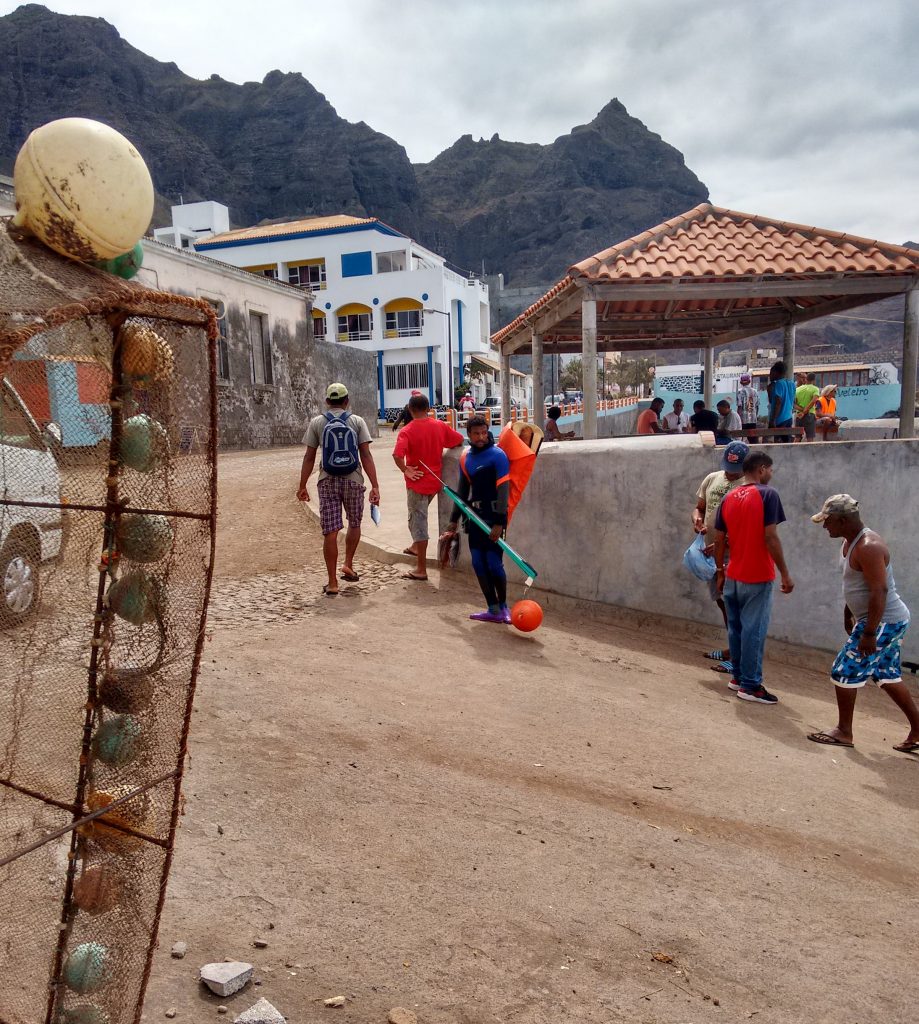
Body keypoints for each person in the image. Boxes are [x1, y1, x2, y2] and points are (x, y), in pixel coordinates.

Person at [806, 495, 919, 752]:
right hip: (879, 620)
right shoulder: (849, 542)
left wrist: (868, 633)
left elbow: (879, 591)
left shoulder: (868, 546)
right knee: (886, 674)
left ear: (843, 520)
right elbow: (858, 585)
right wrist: (849, 611)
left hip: (882, 622)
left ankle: (844, 732)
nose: (825, 527)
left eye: (828, 521)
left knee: (844, 670)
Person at [713, 451, 794, 704]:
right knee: (753, 632)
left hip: (733, 574)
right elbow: (770, 537)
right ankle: (750, 685)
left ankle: (737, 677)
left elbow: (719, 539)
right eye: (770, 469)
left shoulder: (728, 497)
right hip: (757, 574)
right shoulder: (768, 494)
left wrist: (720, 571)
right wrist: (785, 573)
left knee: (736, 629)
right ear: (761, 469)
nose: (771, 474)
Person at [297, 382, 380, 596]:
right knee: (354, 523)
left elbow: (309, 456)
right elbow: (366, 455)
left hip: (327, 480)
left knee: (331, 532)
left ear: (327, 402)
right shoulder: (357, 421)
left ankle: (333, 582)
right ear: (347, 401)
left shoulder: (317, 423)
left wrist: (302, 485)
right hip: (353, 479)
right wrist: (375, 485)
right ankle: (348, 564)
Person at [442, 415, 512, 623]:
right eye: (476, 433)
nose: (481, 437)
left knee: (494, 564)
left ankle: (504, 607)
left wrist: (500, 522)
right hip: (474, 518)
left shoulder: (498, 455)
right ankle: (492, 609)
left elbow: (504, 491)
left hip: (494, 517)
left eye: (484, 432)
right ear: (468, 434)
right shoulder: (466, 458)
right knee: (479, 564)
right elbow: (462, 493)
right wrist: (454, 520)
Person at [392, 393, 464, 581]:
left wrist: (405, 470)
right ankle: (416, 547)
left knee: (418, 523)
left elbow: (397, 455)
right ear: (429, 409)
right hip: (435, 482)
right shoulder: (439, 426)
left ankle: (421, 569)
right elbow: (457, 440)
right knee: (418, 519)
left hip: (417, 483)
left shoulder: (407, 431)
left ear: (410, 409)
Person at [692, 441, 749, 671]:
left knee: (735, 606)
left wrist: (722, 545)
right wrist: (696, 520)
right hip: (712, 554)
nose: (729, 471)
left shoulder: (749, 486)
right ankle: (733, 648)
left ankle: (739, 657)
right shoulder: (712, 478)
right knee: (723, 604)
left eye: (735, 468)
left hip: (732, 556)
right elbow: (700, 507)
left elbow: (746, 527)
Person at [767, 361, 796, 442]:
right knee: (787, 442)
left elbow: (777, 402)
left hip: (780, 419)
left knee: (778, 443)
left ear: (776, 372)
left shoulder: (778, 384)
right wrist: (769, 391)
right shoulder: (792, 384)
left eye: (771, 373)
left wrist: (773, 420)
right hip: (789, 418)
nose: (770, 375)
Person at [794, 372, 821, 442]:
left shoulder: (797, 389)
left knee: (797, 437)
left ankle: (792, 452)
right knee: (810, 437)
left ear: (806, 379)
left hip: (798, 416)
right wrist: (805, 411)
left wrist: (802, 411)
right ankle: (810, 452)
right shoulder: (815, 389)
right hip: (810, 415)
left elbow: (793, 404)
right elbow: (814, 400)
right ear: (814, 380)